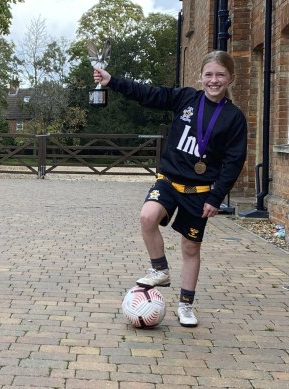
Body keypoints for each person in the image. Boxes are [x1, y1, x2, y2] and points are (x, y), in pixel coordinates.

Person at [94, 50, 247, 327]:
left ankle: (186, 305)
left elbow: (234, 162)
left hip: (199, 192)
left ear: (230, 78)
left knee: (190, 247)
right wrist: (112, 81)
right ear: (200, 77)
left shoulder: (234, 117)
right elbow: (148, 93)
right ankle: (159, 269)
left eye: (220, 75)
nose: (214, 80)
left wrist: (216, 196)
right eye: (209, 74)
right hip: (168, 180)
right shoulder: (186, 98)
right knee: (147, 216)